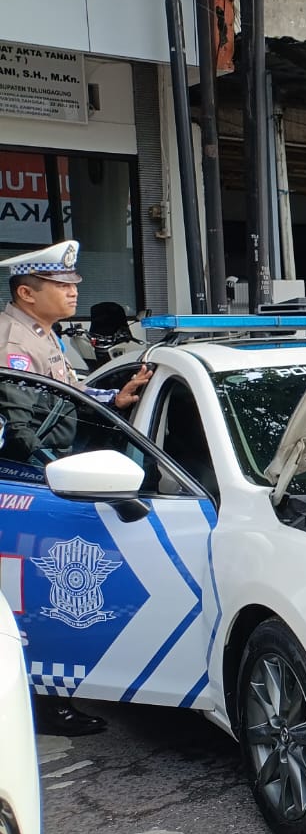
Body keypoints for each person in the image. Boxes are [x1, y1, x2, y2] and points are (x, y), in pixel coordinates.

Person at [1, 241, 150, 737]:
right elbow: (27, 427)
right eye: (62, 286)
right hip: (32, 481)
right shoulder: (12, 342)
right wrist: (59, 474)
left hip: (46, 473)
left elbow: (68, 390)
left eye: (72, 286)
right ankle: (45, 705)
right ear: (27, 292)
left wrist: (116, 396)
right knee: (41, 598)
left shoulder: (43, 332)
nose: (71, 293)